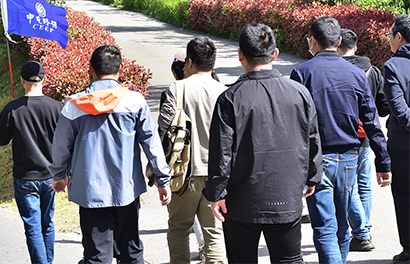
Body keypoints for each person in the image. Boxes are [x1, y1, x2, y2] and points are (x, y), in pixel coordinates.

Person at [204, 23, 323, 264]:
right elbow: (312, 139)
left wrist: (216, 193)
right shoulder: (299, 93)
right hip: (286, 194)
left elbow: (221, 152)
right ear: (275, 54)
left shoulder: (230, 98)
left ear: (240, 54)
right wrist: (312, 177)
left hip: (241, 200)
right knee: (289, 260)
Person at [50, 44, 171, 264]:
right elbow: (151, 144)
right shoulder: (135, 101)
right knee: (131, 251)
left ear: (90, 69)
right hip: (127, 189)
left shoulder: (74, 106)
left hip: (90, 192)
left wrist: (59, 175)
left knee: (97, 255)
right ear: (120, 68)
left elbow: (61, 146)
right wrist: (162, 179)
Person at [290, 16, 391, 264]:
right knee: (342, 226)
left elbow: (294, 122)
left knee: (324, 227)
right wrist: (383, 162)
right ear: (338, 41)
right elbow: (372, 121)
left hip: (317, 159)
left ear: (312, 41)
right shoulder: (356, 74)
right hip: (349, 158)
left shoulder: (302, 73)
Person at [158, 37, 227, 264]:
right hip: (216, 175)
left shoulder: (176, 89)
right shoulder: (224, 92)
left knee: (179, 229)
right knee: (214, 232)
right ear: (213, 64)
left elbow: (162, 130)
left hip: (182, 174)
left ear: (188, 62)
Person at [0, 61, 63, 264]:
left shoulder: (12, 109)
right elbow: (65, 142)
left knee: (33, 227)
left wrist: (12, 117)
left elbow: (0, 140)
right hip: (50, 176)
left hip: (25, 178)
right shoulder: (57, 107)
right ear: (44, 80)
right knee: (47, 223)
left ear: (22, 80)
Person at [337, 28, 390, 252]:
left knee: (348, 187)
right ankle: (364, 230)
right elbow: (384, 106)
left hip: (343, 135)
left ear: (337, 44)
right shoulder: (373, 70)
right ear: (356, 47)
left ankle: (361, 233)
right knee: (364, 186)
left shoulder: (337, 69)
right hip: (367, 135)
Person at [382, 14, 410, 264]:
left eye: (390, 35)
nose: (389, 39)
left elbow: (399, 110)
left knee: (404, 197)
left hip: (403, 146)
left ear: (399, 37)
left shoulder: (393, 66)